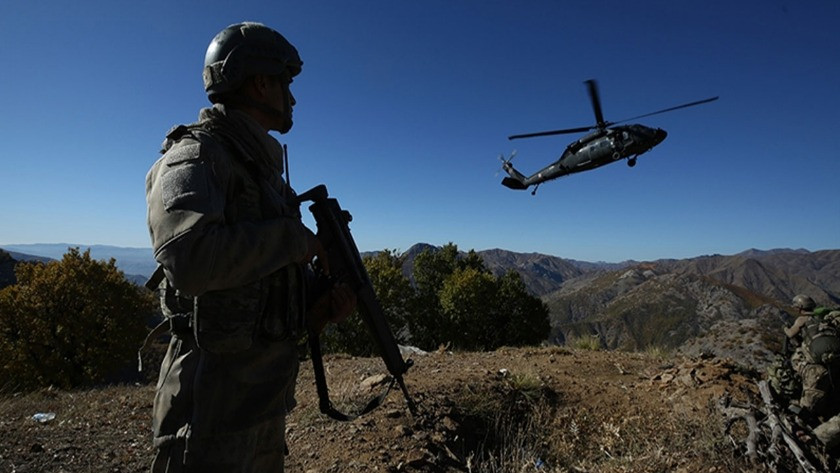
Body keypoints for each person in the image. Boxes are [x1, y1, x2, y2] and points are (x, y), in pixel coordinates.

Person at [145, 22, 355, 472]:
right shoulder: (195, 156)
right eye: (286, 84)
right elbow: (191, 260)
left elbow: (260, 280)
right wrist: (293, 239)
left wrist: (318, 303)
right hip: (208, 410)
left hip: (260, 400)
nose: (293, 98)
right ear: (260, 82)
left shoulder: (260, 171)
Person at [784, 295, 840, 422]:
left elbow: (790, 333)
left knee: (796, 361)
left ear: (799, 308)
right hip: (835, 356)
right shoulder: (823, 317)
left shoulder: (802, 319)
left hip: (816, 364)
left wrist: (785, 328)